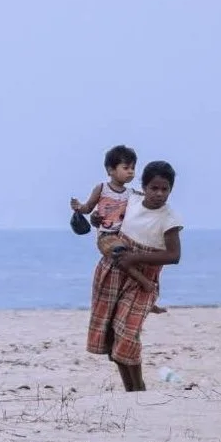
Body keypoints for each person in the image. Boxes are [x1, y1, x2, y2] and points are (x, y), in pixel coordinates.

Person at [86, 160, 183, 392]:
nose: (159, 194)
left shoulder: (169, 219)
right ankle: (131, 391)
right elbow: (107, 218)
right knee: (112, 334)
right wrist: (95, 219)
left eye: (165, 189)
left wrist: (136, 258)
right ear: (144, 187)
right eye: (154, 188)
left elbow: (174, 255)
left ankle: (139, 389)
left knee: (128, 333)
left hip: (144, 281)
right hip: (114, 270)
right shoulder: (131, 200)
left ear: (171, 189)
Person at [71, 145, 165, 314]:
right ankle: (144, 283)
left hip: (124, 235)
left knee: (146, 259)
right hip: (107, 237)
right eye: (126, 168)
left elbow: (145, 207)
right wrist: (80, 207)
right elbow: (88, 208)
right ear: (110, 170)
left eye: (133, 168)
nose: (131, 172)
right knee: (121, 254)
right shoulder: (102, 189)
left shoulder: (132, 194)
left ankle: (148, 299)